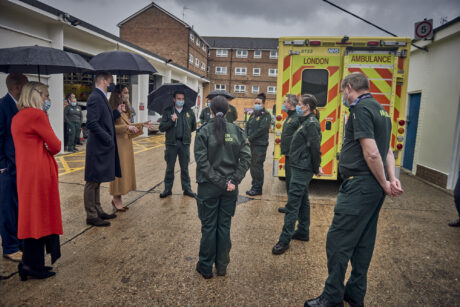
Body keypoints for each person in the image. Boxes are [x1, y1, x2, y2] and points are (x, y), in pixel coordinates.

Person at [305, 73, 404, 307]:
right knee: (363, 242)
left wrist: (383, 182)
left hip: (360, 186)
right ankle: (355, 293)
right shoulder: (382, 111)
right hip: (373, 190)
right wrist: (391, 179)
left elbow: (372, 152)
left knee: (338, 242)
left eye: (342, 92)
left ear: (349, 88)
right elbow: (387, 151)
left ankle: (332, 296)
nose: (342, 96)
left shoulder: (360, 110)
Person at [194, 95, 251, 278]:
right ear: (228, 111)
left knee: (209, 226)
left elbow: (202, 163)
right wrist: (233, 181)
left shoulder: (203, 131)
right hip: (229, 189)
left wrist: (221, 181)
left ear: (210, 110)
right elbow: (246, 158)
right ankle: (222, 266)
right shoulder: (237, 131)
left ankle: (205, 266)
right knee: (224, 226)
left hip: (209, 187)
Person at [11, 82, 62, 280]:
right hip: (39, 173)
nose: (47, 100)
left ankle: (32, 263)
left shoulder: (18, 117)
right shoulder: (37, 115)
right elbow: (56, 145)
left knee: (31, 217)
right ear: (36, 95)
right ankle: (33, 266)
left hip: (26, 173)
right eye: (46, 96)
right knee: (40, 216)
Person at [272, 94, 323, 255]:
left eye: (300, 104)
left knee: (293, 203)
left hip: (302, 168)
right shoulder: (305, 122)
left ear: (307, 106)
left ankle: (284, 240)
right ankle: (302, 231)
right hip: (297, 165)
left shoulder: (312, 124)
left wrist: (316, 168)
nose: (298, 106)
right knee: (303, 199)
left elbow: (315, 148)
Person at [84, 72, 121, 227]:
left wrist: (116, 112)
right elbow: (92, 123)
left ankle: (98, 210)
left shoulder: (101, 97)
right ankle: (91, 215)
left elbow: (104, 119)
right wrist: (107, 138)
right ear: (103, 81)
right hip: (97, 147)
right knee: (92, 181)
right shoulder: (95, 97)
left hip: (102, 147)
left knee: (97, 181)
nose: (111, 85)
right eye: (110, 81)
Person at [109, 84, 150, 211]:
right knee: (118, 173)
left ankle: (118, 198)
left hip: (126, 144)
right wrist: (126, 127)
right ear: (119, 94)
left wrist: (141, 125)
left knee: (124, 172)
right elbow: (110, 127)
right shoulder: (112, 109)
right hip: (118, 145)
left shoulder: (124, 109)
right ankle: (116, 198)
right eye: (125, 92)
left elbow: (128, 124)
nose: (127, 94)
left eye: (127, 92)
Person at [0, 73, 28, 262]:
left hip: (20, 165)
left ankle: (18, 242)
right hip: (7, 167)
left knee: (18, 206)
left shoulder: (20, 107)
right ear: (16, 87)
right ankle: (9, 247)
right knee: (7, 208)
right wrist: (2, 165)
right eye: (25, 87)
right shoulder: (3, 106)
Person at [159, 91, 196, 198]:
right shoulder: (168, 111)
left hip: (184, 143)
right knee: (170, 168)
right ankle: (167, 189)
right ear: (174, 99)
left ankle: (187, 189)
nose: (181, 101)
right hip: (171, 144)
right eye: (178, 99)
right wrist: (171, 120)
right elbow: (161, 128)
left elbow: (193, 126)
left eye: (182, 99)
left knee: (185, 168)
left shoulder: (189, 111)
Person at [277, 94, 301, 214]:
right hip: (288, 154)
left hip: (293, 156)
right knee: (289, 181)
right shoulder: (290, 117)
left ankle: (292, 208)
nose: (284, 104)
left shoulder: (297, 118)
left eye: (285, 102)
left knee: (292, 182)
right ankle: (290, 205)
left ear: (290, 104)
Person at [245, 93, 272, 196]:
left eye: (259, 103)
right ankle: (254, 186)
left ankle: (257, 188)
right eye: (255, 102)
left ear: (263, 104)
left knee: (257, 166)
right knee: (252, 166)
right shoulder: (253, 114)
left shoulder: (266, 115)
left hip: (259, 146)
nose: (256, 104)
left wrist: (250, 138)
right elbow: (247, 126)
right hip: (251, 144)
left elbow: (262, 129)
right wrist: (246, 137)